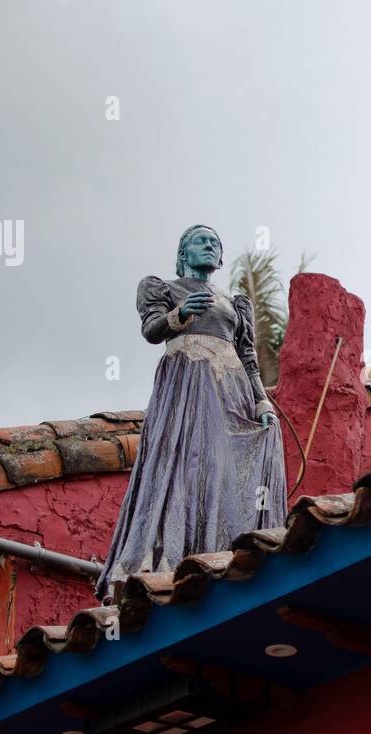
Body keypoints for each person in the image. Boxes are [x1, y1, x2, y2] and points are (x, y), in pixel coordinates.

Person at [96, 224, 287, 600]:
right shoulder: (163, 288)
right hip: (188, 382)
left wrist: (262, 401)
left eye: (215, 244)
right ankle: (173, 552)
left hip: (231, 390)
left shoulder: (234, 303)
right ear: (183, 252)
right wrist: (179, 314)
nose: (209, 247)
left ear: (220, 258)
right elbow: (152, 330)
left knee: (224, 465)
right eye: (201, 241)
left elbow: (248, 358)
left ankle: (226, 544)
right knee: (187, 461)